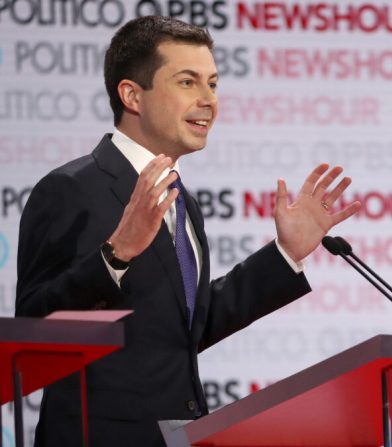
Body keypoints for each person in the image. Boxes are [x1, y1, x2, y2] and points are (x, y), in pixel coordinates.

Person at [15, 16, 360, 446]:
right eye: (187, 82)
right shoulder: (70, 189)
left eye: (213, 84)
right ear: (131, 96)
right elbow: (31, 331)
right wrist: (115, 255)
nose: (208, 100)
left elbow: (182, 329)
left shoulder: (182, 201)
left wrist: (284, 254)